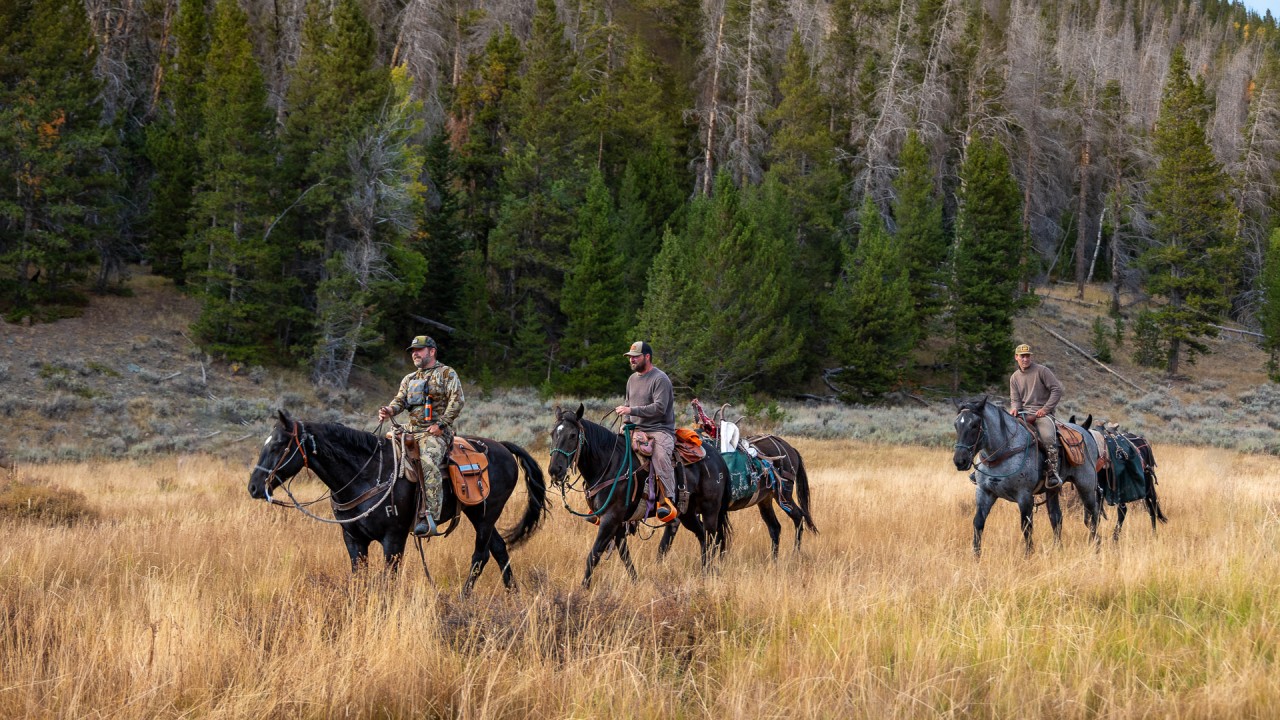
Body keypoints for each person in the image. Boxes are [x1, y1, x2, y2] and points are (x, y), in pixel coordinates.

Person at [378, 335, 465, 536]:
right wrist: (389, 410)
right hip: (410, 430)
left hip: (435, 433)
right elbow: (400, 400)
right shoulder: (409, 379)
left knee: (428, 461)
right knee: (383, 452)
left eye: (419, 350)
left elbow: (457, 401)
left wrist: (441, 425)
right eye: (412, 351)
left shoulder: (446, 373)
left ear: (432, 351)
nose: (414, 354)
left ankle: (430, 516)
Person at [614, 340, 678, 522]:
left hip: (659, 430)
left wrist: (632, 411)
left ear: (647, 357)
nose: (632, 361)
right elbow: (628, 404)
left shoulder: (660, 379)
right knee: (613, 451)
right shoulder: (631, 380)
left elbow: (659, 408)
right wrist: (627, 422)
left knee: (659, 456)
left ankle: (667, 500)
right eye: (630, 358)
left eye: (635, 357)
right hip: (637, 429)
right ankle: (611, 500)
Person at [1008, 343, 1064, 489]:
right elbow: (1015, 400)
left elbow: (1057, 390)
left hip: (1042, 415)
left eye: (1027, 356)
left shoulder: (1042, 371)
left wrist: (1046, 409)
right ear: (1016, 357)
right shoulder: (1014, 377)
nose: (1025, 359)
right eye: (1022, 356)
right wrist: (1014, 409)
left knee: (1048, 438)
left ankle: (1052, 473)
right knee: (1003, 433)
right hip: (1023, 414)